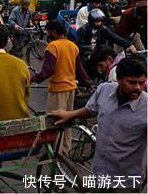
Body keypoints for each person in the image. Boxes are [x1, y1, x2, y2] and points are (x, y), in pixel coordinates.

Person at [50, 58, 147, 192]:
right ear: (118, 79)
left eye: (141, 83)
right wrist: (70, 114)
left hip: (127, 182)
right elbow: (91, 109)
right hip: (100, 173)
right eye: (131, 82)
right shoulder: (104, 90)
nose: (137, 87)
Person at [31, 20, 91, 154]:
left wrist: (32, 79)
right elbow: (79, 68)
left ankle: (55, 150)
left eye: (48, 31)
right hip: (71, 88)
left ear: (53, 31)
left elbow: (48, 70)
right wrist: (87, 82)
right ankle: (65, 147)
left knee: (55, 121)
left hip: (58, 88)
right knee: (67, 119)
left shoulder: (52, 46)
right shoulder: (73, 45)